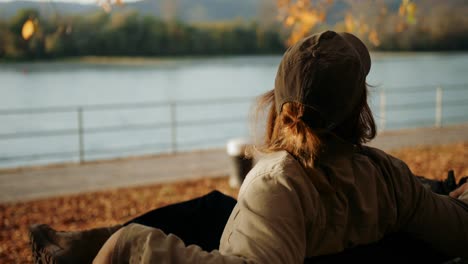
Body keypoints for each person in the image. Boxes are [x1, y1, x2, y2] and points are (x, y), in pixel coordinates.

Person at [30, 30, 468, 264]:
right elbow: (455, 228)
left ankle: (94, 244)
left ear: (277, 103)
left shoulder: (279, 185)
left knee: (208, 212)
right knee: (211, 206)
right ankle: (84, 243)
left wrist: (133, 247)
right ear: (360, 109)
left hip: (286, 223)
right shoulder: (389, 178)